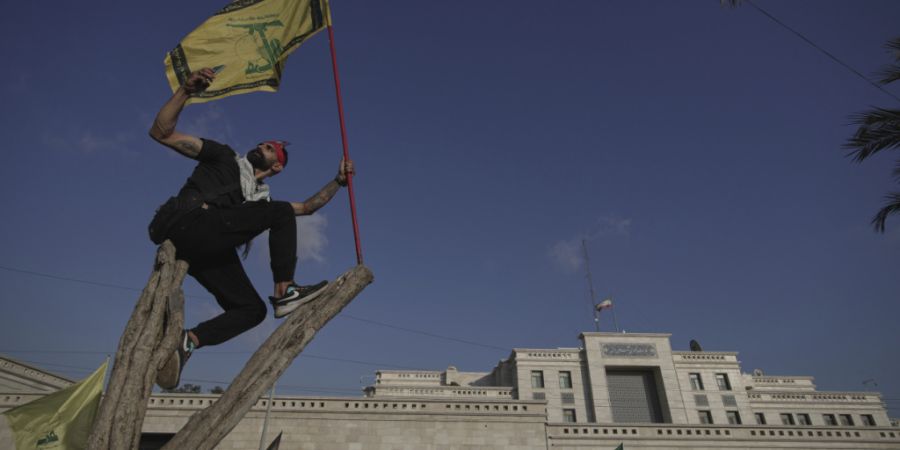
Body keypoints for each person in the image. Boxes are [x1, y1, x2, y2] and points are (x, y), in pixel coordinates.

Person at [148, 67, 353, 389]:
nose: (262, 145)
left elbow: (308, 208)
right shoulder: (224, 158)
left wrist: (338, 182)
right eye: (262, 143)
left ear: (277, 166)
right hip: (190, 222)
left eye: (270, 148)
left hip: (207, 247)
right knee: (281, 212)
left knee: (252, 310)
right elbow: (161, 132)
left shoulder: (261, 201)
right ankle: (285, 292)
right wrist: (185, 92)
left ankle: (189, 341)